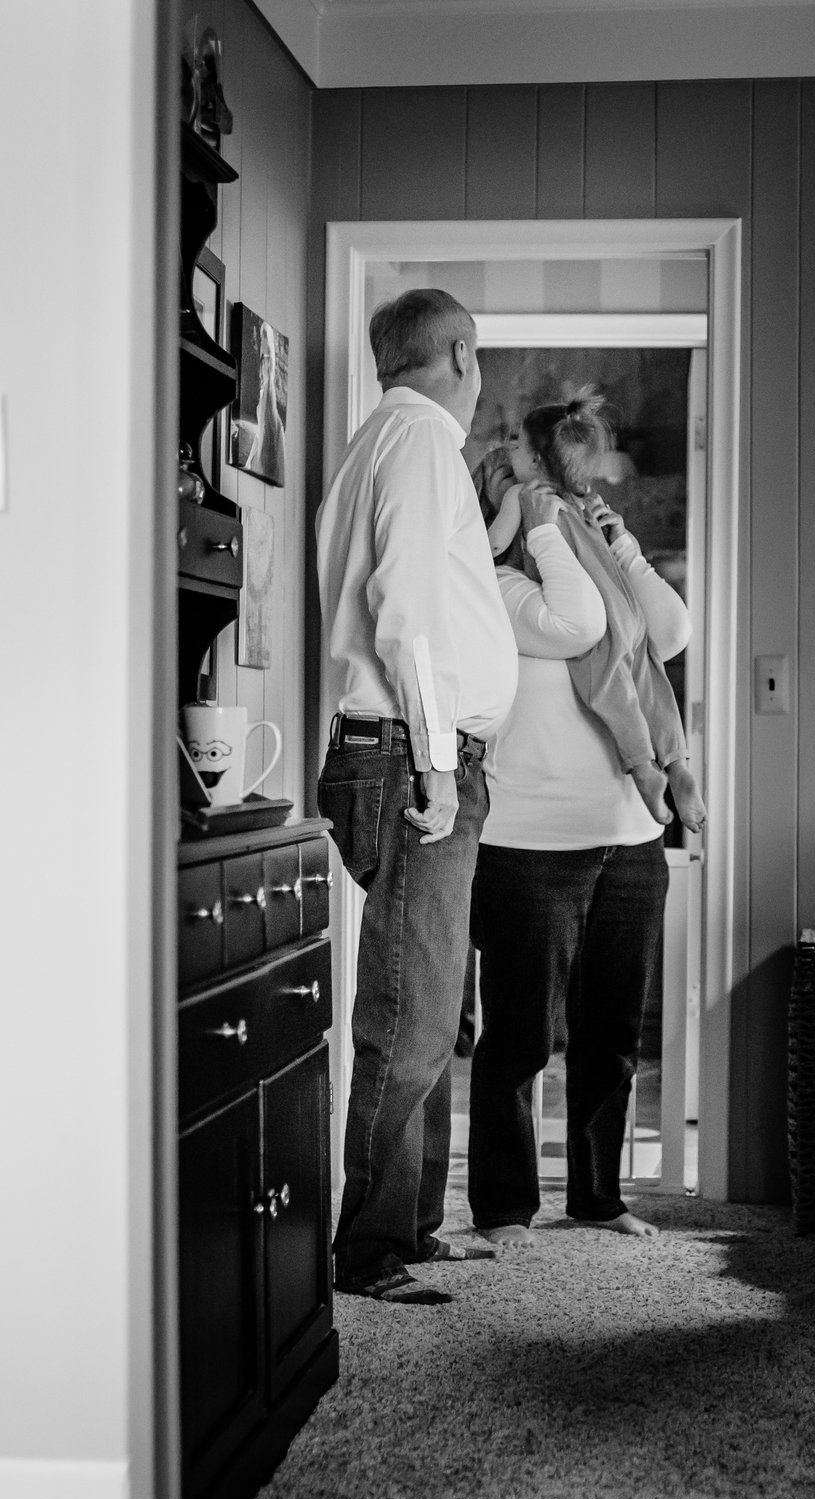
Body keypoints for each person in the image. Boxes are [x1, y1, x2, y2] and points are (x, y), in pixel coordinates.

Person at [315, 289, 515, 1306]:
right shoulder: (424, 442)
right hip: (408, 757)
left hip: (396, 750)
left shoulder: (374, 444)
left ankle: (414, 1223)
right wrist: (438, 761)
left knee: (432, 998)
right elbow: (409, 617)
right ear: (456, 353)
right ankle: (372, 1248)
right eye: (476, 361)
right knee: (411, 1001)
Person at [466, 405, 697, 1250]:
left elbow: (669, 631)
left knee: (609, 1037)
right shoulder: (499, 581)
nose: (547, 499)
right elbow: (580, 625)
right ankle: (502, 1207)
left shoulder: (589, 559)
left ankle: (598, 1197)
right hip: (528, 844)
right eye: (529, 490)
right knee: (522, 1037)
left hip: (630, 836)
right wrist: (539, 527)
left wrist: (620, 543)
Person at [473, 398, 706, 832]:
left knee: (609, 686)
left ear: (538, 459)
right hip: (625, 604)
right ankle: (678, 763)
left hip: (602, 616)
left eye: (517, 451)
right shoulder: (584, 501)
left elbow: (487, 548)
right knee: (649, 679)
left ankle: (644, 770)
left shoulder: (521, 496)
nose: (511, 457)